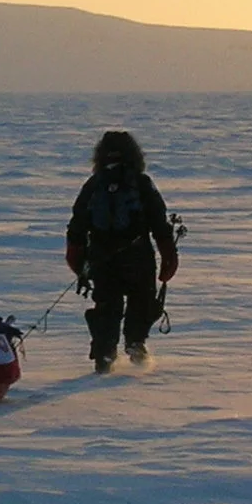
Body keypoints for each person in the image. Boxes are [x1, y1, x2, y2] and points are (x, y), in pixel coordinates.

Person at [65, 130, 178, 372]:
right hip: (138, 256)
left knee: (106, 304)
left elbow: (77, 226)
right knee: (142, 299)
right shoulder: (141, 183)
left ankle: (104, 353)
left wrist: (78, 260)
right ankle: (136, 344)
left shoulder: (94, 185)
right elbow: (159, 222)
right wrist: (169, 255)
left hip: (101, 258)